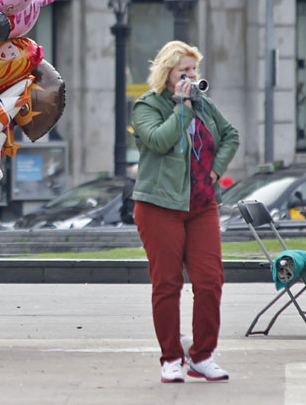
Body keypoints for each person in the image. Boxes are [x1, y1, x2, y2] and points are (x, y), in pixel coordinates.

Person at [130, 41, 240, 383]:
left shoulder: (204, 105)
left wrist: (215, 169)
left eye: (195, 70)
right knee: (167, 284)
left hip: (202, 203)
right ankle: (170, 358)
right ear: (167, 74)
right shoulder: (147, 106)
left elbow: (230, 136)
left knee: (210, 281)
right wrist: (182, 106)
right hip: (159, 205)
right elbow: (160, 141)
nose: (192, 77)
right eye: (184, 71)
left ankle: (203, 356)